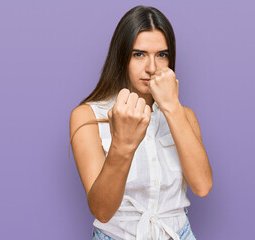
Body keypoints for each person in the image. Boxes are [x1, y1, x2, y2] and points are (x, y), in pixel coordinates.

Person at [69, 5, 213, 240]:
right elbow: (102, 211)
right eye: (139, 54)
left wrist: (171, 107)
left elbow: (202, 186)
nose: (152, 68)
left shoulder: (184, 115)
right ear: (122, 57)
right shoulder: (87, 116)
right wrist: (122, 145)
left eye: (161, 55)